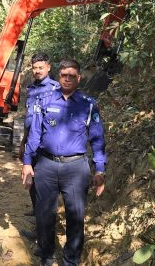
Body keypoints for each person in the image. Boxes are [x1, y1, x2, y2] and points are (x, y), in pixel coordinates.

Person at [21, 59, 107, 266]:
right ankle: (47, 255)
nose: (67, 79)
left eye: (71, 76)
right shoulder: (46, 100)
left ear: (79, 78)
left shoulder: (88, 104)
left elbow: (97, 138)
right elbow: (34, 134)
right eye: (63, 75)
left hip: (76, 168)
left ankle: (71, 260)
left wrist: (100, 169)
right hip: (46, 165)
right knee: (44, 215)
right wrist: (27, 162)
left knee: (75, 216)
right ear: (59, 76)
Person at [19, 52, 60, 242]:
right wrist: (23, 143)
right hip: (32, 146)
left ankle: (45, 237)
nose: (37, 71)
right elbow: (30, 121)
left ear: (49, 67)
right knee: (34, 189)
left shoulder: (55, 90)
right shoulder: (32, 89)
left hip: (46, 150)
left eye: (40, 67)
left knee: (46, 195)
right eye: (34, 68)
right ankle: (39, 223)